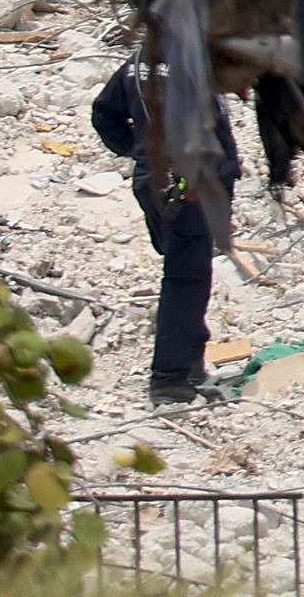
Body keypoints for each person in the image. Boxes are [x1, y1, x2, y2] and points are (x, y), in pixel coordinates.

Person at [90, 56, 240, 405]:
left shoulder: (140, 61)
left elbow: (104, 114)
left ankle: (189, 360)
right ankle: (169, 379)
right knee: (185, 279)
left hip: (157, 181)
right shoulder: (190, 66)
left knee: (190, 271)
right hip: (187, 186)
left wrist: (139, 151)